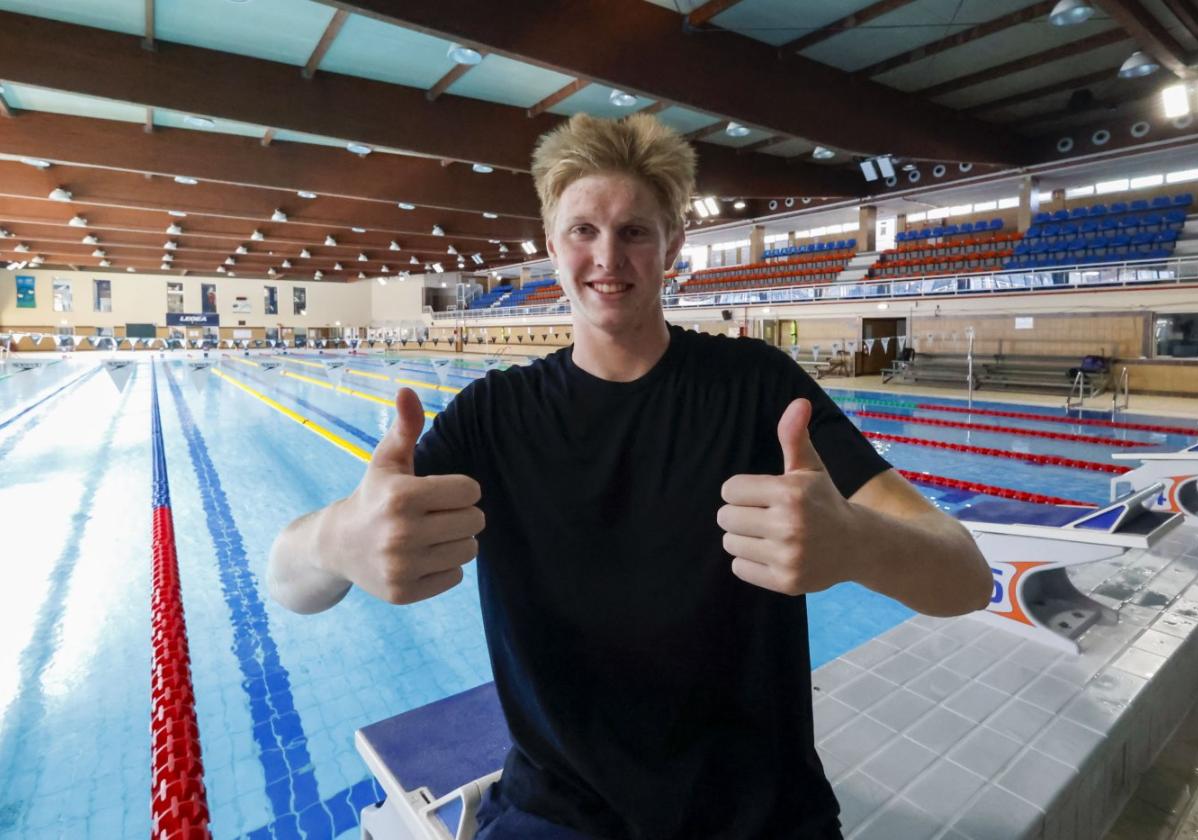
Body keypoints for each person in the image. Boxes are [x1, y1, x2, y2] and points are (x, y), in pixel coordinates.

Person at [268, 114, 992, 840]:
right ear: (552, 246)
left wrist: (859, 543)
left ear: (672, 244)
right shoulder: (492, 419)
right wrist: (337, 538)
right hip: (555, 818)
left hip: (760, 816)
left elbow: (965, 577)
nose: (607, 256)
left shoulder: (760, 391)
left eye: (634, 232)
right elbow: (287, 584)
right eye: (583, 230)